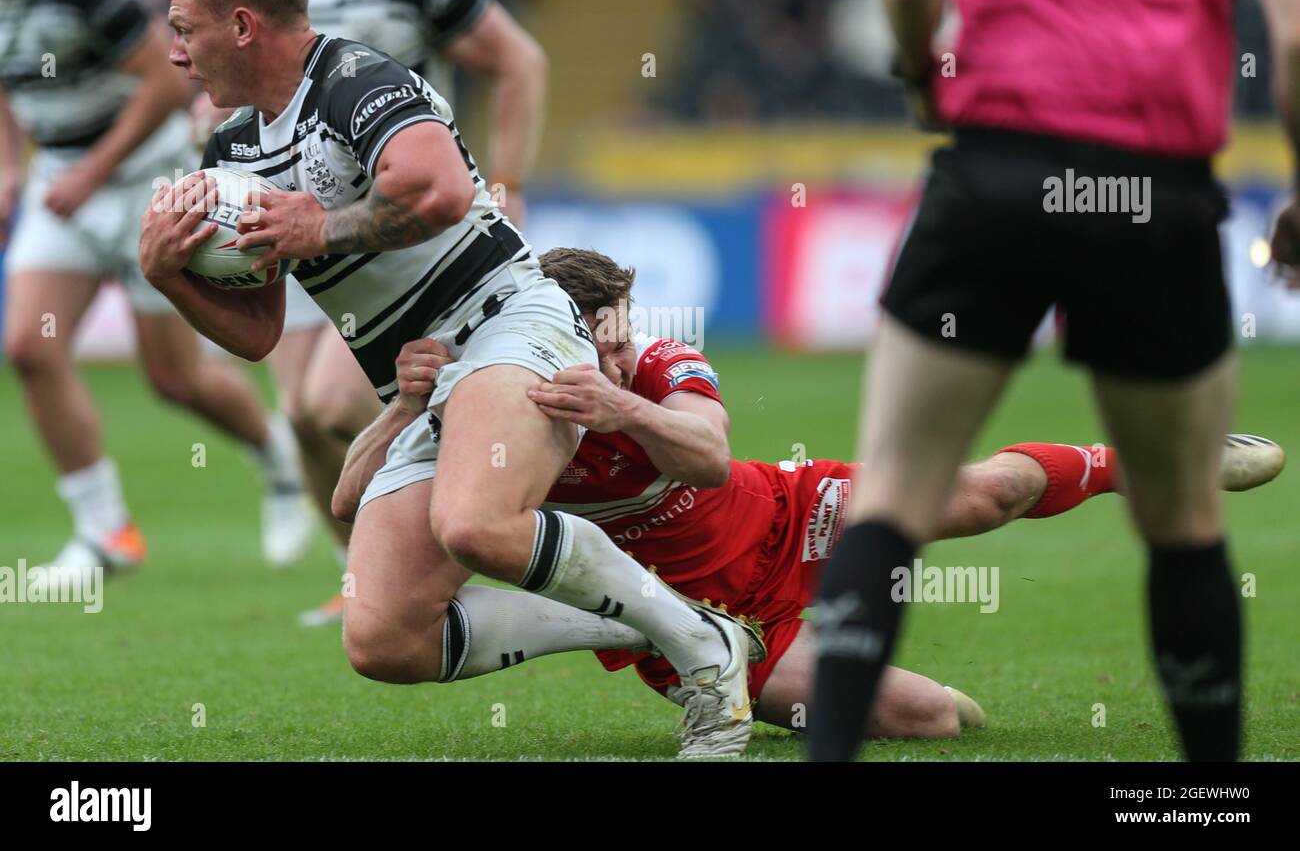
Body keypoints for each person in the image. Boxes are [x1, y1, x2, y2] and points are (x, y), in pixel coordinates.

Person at [144, 0, 759, 759]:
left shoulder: (356, 80)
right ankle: (666, 618)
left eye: (184, 30)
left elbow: (438, 190)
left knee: (476, 524)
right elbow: (257, 335)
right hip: (427, 382)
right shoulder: (231, 153)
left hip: (509, 317)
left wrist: (321, 226)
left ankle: (699, 646)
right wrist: (170, 277)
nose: (176, 53)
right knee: (383, 640)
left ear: (243, 25)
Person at [332, 247, 1284, 741]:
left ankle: (1151, 460)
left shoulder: (659, 366)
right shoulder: (498, 397)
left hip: (788, 519)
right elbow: (352, 503)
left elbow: (706, 456)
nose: (618, 353)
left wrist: (622, 400)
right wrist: (403, 409)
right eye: (599, 343)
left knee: (986, 495)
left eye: (624, 335)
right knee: (938, 721)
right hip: (692, 620)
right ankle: (711, 656)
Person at [808, 0, 1300, 762]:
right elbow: (1293, 38)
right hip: (1155, 191)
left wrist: (927, 79)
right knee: (1183, 517)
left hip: (998, 171)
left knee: (892, 493)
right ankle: (1212, 803)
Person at [190, 0, 551, 624]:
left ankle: (435, 550)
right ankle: (360, 572)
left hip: (385, 220)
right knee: (299, 412)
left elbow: (520, 61)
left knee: (330, 401)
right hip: (286, 208)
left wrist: (507, 182)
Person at [0, 0, 310, 573]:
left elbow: (163, 86)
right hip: (63, 183)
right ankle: (105, 533)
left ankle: (275, 452)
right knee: (29, 345)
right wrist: (8, 170)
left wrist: (93, 171)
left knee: (173, 378)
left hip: (149, 177)